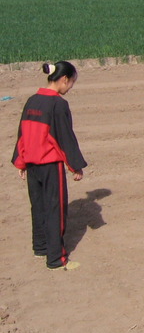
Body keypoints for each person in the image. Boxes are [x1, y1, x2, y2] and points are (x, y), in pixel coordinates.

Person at [12, 61, 87, 270]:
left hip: (31, 164)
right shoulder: (58, 104)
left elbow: (22, 133)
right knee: (56, 209)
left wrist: (20, 161)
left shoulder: (32, 101)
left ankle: (40, 247)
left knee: (38, 206)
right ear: (64, 79)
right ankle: (56, 258)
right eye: (71, 83)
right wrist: (75, 166)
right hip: (50, 165)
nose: (70, 87)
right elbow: (64, 138)